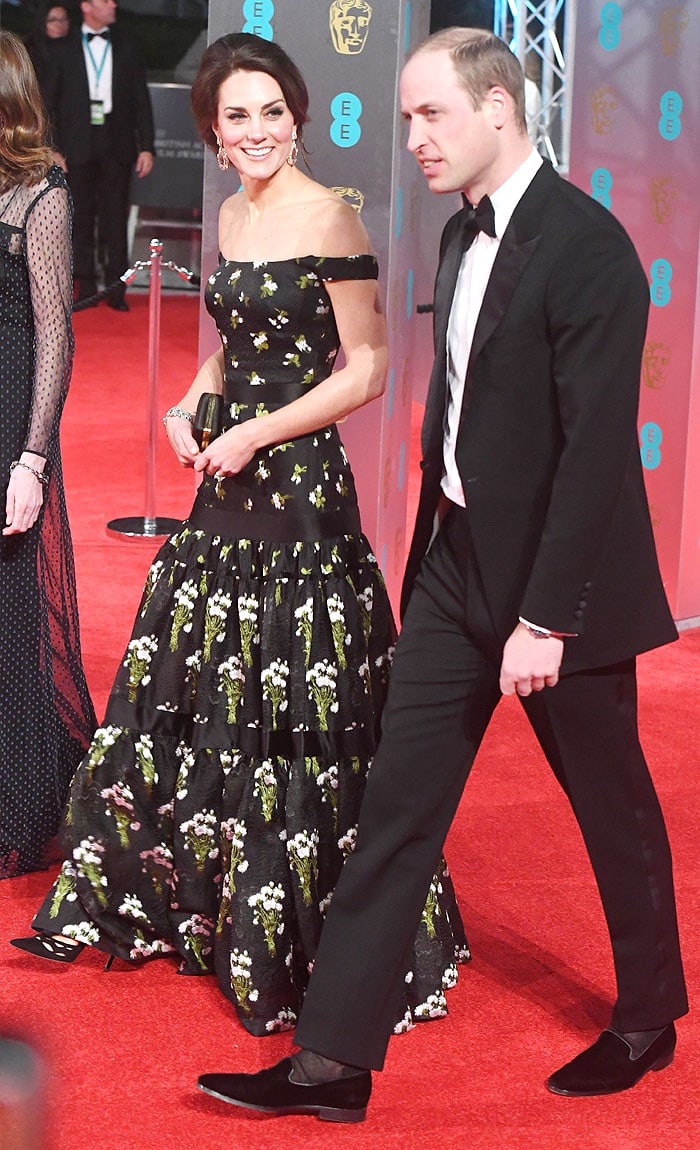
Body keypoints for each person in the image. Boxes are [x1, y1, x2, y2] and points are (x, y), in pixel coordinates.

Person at [193, 27, 688, 1122]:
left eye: (430, 115)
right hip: (457, 571)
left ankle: (649, 1014)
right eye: (408, 117)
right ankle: (330, 1065)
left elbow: (595, 455)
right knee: (398, 806)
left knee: (609, 804)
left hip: (564, 593)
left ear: (499, 107)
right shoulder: (463, 239)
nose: (409, 137)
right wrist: (440, 570)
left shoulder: (589, 248)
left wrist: (548, 619)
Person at [11, 31, 468, 1037]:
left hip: (299, 493)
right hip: (225, 483)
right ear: (212, 134)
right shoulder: (232, 213)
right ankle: (169, 893)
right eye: (236, 117)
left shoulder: (329, 215)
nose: (256, 132)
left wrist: (256, 430)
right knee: (199, 682)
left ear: (296, 117)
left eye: (271, 112)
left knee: (289, 700)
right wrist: (188, 403)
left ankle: (300, 925)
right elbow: (233, 345)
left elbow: (368, 366)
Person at [0, 31, 96, 880]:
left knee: (9, 612)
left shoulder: (42, 193)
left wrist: (32, 460)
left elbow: (55, 336)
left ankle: (21, 799)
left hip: (6, 419)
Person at [38, 0, 155, 311]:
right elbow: (49, 103)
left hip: (117, 144)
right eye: (105, 0)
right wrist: (53, 149)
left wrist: (147, 146)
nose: (113, 5)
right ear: (87, 6)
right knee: (80, 218)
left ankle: (117, 289)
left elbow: (141, 99)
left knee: (116, 218)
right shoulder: (62, 49)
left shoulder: (128, 46)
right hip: (76, 145)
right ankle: (85, 286)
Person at [24, 3, 72, 84]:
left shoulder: (76, 49)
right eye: (52, 20)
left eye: (64, 19)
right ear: (42, 22)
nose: (59, 25)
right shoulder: (30, 51)